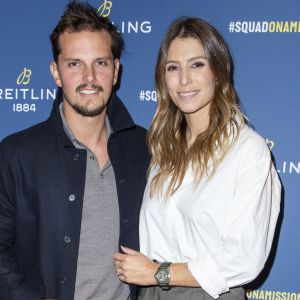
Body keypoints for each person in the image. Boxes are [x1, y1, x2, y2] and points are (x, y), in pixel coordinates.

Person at [113, 17, 281, 300]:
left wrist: (158, 272)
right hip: (152, 294)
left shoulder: (246, 150)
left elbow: (245, 258)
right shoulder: (162, 150)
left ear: (218, 71)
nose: (184, 80)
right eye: (173, 67)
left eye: (197, 64)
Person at [0, 2, 149, 300]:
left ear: (116, 71)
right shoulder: (16, 154)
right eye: (74, 64)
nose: (89, 77)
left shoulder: (147, 150)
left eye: (101, 63)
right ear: (56, 73)